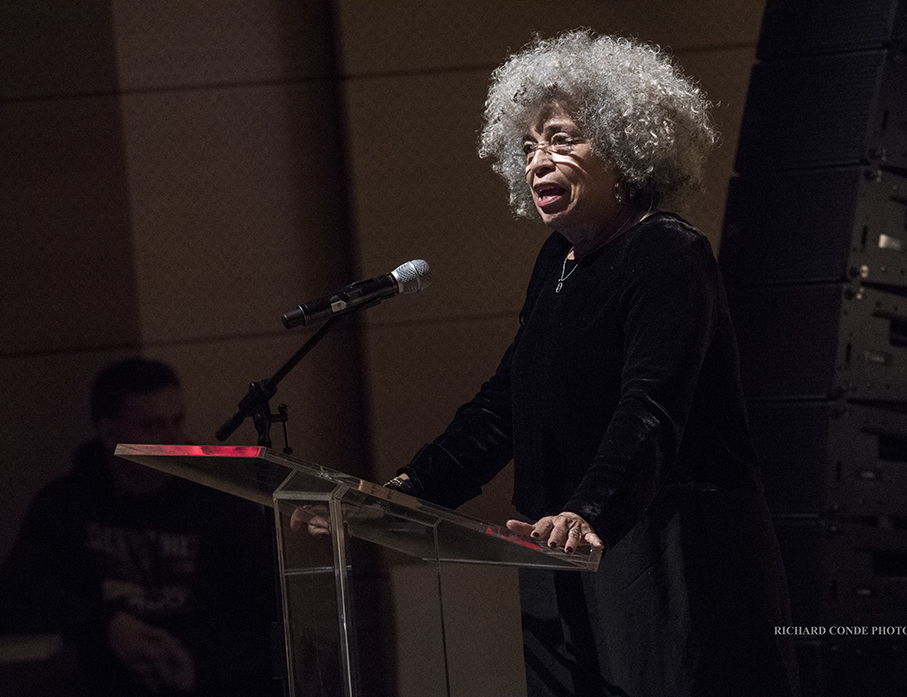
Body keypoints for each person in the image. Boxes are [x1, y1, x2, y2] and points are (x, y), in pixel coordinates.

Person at [383, 30, 800, 697]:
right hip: (561, 544)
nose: (537, 162)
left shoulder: (667, 253)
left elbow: (650, 404)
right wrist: (410, 489)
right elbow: (506, 401)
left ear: (627, 147)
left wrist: (591, 510)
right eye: (527, 147)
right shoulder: (557, 263)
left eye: (561, 140)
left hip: (668, 544)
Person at [0, 358, 280, 696]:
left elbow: (265, 616)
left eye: (178, 421)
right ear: (108, 432)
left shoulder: (220, 502)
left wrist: (199, 665)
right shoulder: (64, 505)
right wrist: (107, 625)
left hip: (211, 682)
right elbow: (19, 595)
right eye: (153, 426)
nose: (175, 439)